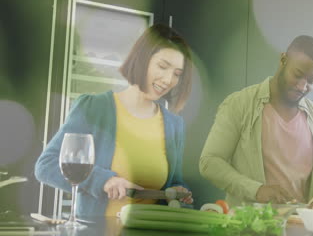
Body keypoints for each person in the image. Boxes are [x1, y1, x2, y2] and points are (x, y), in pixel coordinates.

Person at [35, 24, 194, 217]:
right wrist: (103, 181)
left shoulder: (174, 125)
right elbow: (46, 165)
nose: (169, 79)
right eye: (162, 66)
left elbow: (174, 184)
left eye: (177, 74)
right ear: (142, 59)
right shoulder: (94, 108)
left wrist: (180, 193)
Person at [199, 35, 313, 207]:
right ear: (283, 60)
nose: (302, 86)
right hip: (250, 227)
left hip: (301, 227)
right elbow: (210, 161)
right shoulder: (239, 104)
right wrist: (257, 190)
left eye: (311, 81)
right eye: (297, 75)